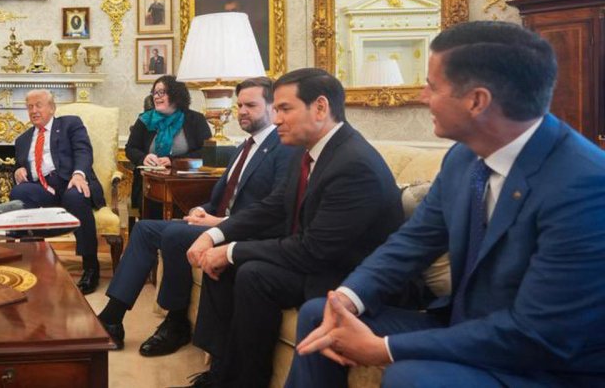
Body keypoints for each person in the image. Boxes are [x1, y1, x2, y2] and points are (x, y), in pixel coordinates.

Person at [289, 21, 605, 387]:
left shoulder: (584, 184)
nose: (423, 96)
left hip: (543, 362)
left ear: (477, 101)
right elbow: (412, 242)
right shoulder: (463, 158)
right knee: (320, 314)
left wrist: (385, 348)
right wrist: (347, 299)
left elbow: (537, 334)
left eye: (432, 86)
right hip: (464, 324)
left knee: (411, 376)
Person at [177, 68, 402, 388]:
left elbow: (313, 250)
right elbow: (272, 207)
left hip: (348, 276)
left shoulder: (353, 164)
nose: (276, 118)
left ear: (320, 107)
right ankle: (227, 374)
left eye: (284, 109)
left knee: (251, 272)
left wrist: (230, 251)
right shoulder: (309, 151)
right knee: (241, 270)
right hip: (321, 261)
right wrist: (213, 235)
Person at [101, 77, 296, 354]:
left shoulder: (285, 147)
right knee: (144, 229)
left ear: (272, 107)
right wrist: (201, 209)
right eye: (239, 105)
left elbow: (274, 208)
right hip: (216, 221)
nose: (242, 111)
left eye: (251, 105)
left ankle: (176, 321)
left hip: (242, 232)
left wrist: (218, 223)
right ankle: (111, 318)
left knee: (175, 233)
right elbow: (221, 196)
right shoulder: (244, 147)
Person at [10, 89, 106, 294]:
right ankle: (35, 257)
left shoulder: (70, 124)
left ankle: (91, 267)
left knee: (76, 195)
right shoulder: (22, 139)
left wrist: (79, 174)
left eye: (38, 105)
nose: (33, 110)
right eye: (29, 107)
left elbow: (83, 151)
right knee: (19, 193)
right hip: (43, 188)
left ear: (52, 108)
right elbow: (19, 167)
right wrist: (18, 171)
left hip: (70, 181)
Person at [123, 75, 211, 216]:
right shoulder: (144, 120)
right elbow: (130, 149)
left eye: (161, 92)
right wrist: (143, 158)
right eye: (154, 93)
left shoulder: (195, 119)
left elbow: (206, 152)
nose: (156, 97)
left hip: (188, 185)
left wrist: (173, 161)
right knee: (153, 212)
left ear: (175, 94)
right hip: (149, 184)